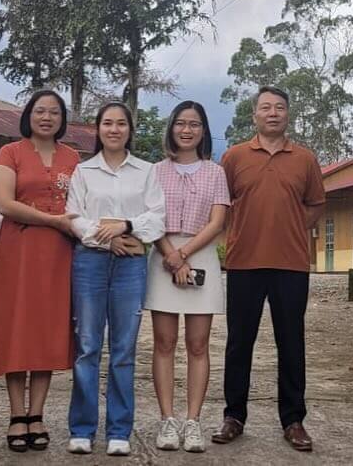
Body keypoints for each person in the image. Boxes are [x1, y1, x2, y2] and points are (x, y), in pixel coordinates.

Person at [211, 86, 326, 454]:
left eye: (279, 107)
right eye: (265, 107)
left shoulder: (305, 159)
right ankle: (234, 416)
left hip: (291, 265)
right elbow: (221, 205)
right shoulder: (233, 157)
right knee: (239, 343)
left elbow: (315, 205)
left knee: (291, 343)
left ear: (288, 114)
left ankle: (293, 420)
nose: (272, 113)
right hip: (243, 262)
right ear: (255, 115)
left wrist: (289, 228)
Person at [65, 102, 166, 457]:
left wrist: (126, 225)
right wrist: (108, 238)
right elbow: (74, 218)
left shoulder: (146, 171)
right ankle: (82, 428)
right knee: (87, 346)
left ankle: (119, 430)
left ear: (129, 130)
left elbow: (157, 218)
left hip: (130, 266)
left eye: (121, 124)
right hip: (90, 263)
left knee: (123, 350)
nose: (114, 129)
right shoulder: (83, 171)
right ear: (98, 129)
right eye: (107, 123)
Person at [0, 90, 82, 452]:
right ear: (28, 115)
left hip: (59, 255)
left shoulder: (73, 157)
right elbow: (5, 203)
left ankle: (37, 414)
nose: (46, 117)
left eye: (54, 112)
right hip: (19, 251)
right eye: (40, 111)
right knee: (17, 328)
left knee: (47, 330)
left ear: (62, 119)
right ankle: (16, 415)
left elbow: (82, 204)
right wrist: (53, 220)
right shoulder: (10, 153)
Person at [144, 101, 230, 454]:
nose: (187, 130)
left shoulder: (215, 172)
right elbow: (150, 219)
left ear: (203, 131)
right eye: (180, 123)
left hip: (201, 255)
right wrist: (171, 254)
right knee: (164, 343)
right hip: (162, 255)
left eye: (194, 124)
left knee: (198, 344)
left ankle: (193, 421)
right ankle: (167, 419)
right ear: (171, 128)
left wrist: (184, 255)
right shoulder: (155, 172)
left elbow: (217, 222)